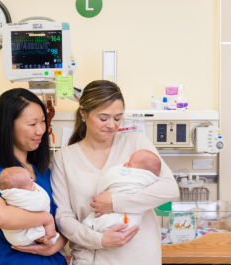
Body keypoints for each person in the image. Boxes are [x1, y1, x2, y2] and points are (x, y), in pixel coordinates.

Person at [51, 80, 179, 264]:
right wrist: (100, 240)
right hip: (91, 258)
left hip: (141, 257)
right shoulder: (64, 158)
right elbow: (63, 217)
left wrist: (115, 203)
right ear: (83, 113)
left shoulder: (136, 143)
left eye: (117, 118)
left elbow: (169, 189)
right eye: (103, 118)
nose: (112, 125)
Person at [0, 88, 67, 265]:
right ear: (7, 126)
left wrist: (54, 246)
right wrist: (46, 219)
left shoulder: (44, 173)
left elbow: (64, 222)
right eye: (32, 124)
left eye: (43, 122)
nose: (41, 130)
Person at [83, 149, 161, 233]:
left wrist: (113, 203)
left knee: (118, 220)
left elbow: (171, 192)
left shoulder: (143, 179)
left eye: (129, 164)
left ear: (140, 172)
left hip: (134, 230)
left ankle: (95, 226)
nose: (124, 164)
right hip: (98, 241)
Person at [0, 167, 60, 246]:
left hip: (12, 239)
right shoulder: (24, 198)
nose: (33, 182)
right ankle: (39, 237)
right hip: (21, 235)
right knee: (45, 235)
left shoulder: (7, 194)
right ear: (21, 191)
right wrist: (48, 218)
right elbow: (42, 205)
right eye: (31, 184)